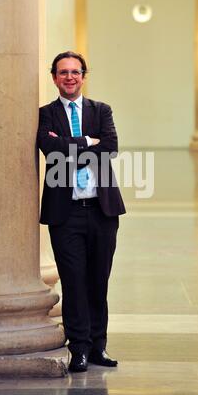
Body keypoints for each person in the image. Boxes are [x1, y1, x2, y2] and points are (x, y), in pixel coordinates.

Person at [37, 51, 125, 372]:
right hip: (65, 214)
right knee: (73, 282)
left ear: (83, 76)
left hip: (102, 211)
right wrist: (89, 141)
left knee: (97, 281)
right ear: (54, 78)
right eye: (63, 73)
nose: (69, 77)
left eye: (75, 72)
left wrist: (69, 143)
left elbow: (111, 146)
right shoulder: (45, 114)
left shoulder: (101, 110)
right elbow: (49, 148)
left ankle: (98, 346)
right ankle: (80, 349)